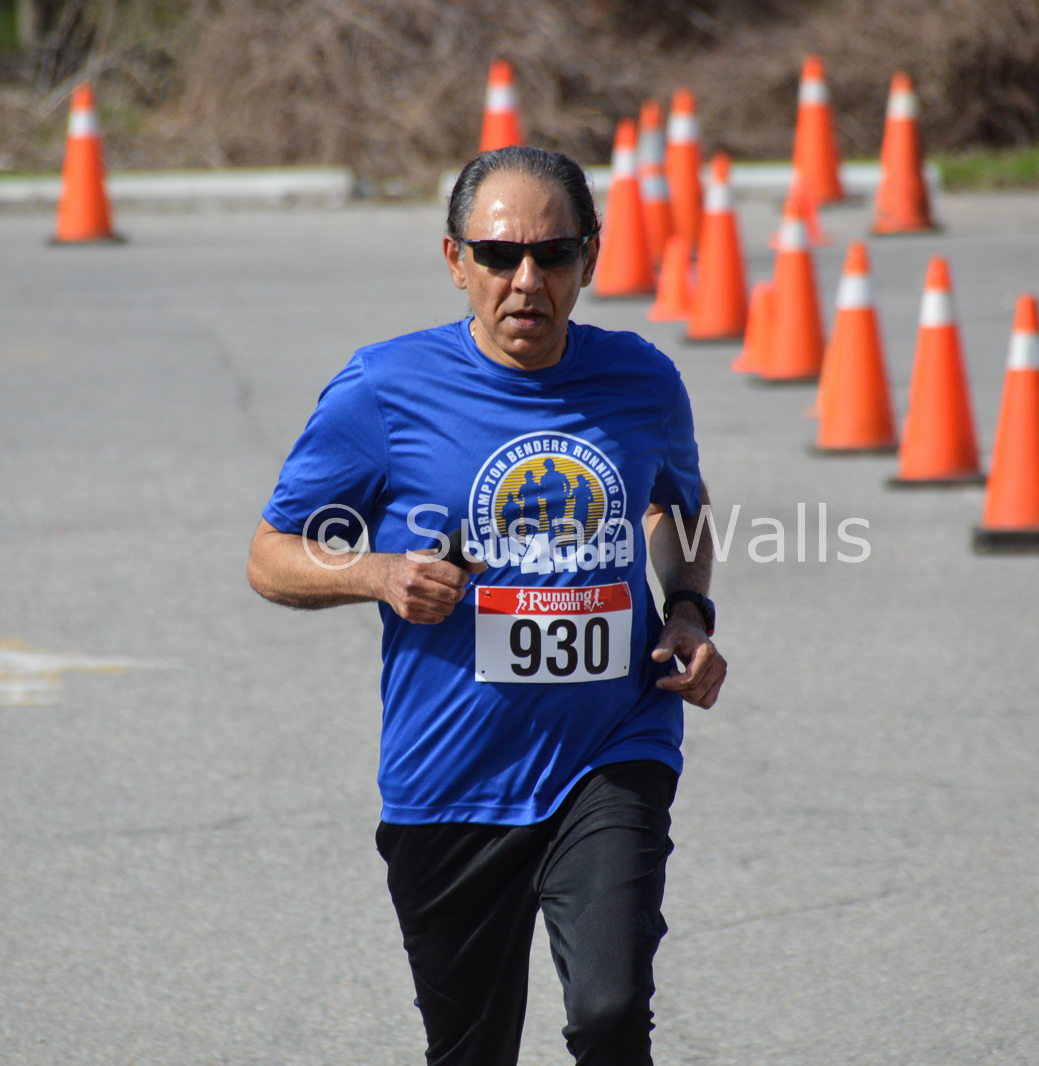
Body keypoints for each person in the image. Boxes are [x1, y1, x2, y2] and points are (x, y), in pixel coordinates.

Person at [246, 144, 725, 1066]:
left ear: (590, 258)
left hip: (611, 747)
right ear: (455, 260)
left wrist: (690, 610)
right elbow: (271, 555)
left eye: (553, 254)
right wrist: (378, 574)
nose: (526, 281)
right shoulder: (384, 390)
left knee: (610, 1014)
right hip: (450, 780)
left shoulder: (642, 380)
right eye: (499, 256)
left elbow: (677, 506)